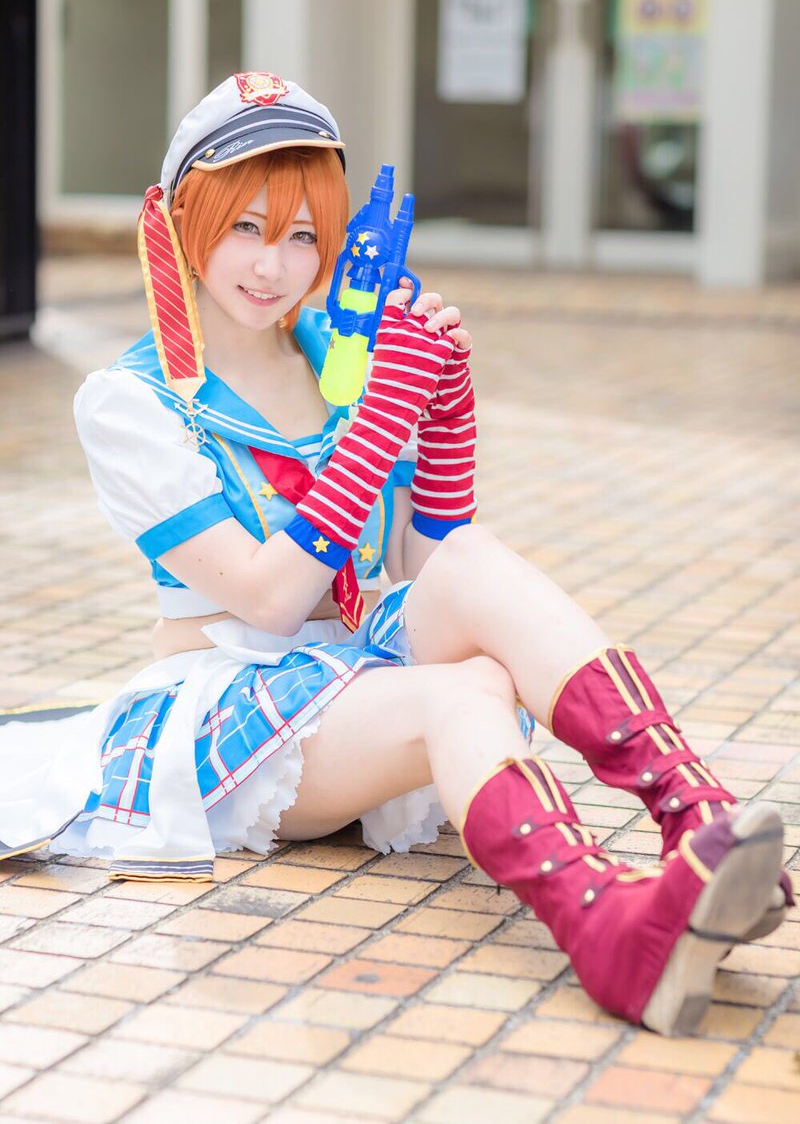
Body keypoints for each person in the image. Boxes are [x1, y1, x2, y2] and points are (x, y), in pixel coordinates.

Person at [0, 72, 790, 1037]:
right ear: (182, 221)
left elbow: (427, 567)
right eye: (244, 227)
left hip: (352, 675)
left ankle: (695, 814)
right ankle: (607, 928)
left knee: (475, 571)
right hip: (234, 709)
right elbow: (269, 600)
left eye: (303, 236)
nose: (273, 265)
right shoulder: (131, 403)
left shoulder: (345, 356)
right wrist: (382, 414)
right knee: (462, 694)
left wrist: (444, 406)